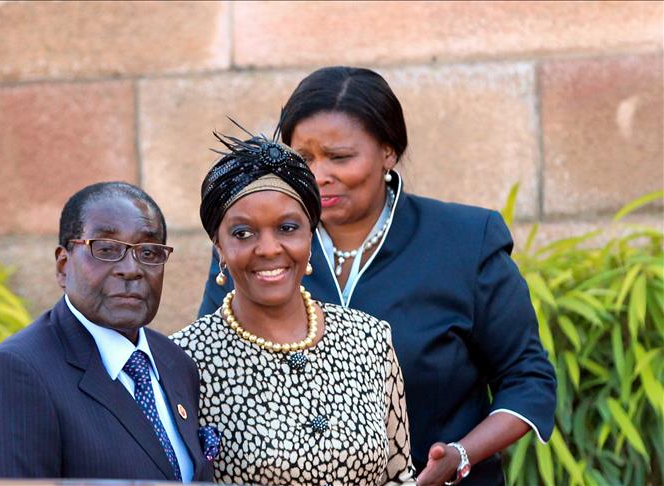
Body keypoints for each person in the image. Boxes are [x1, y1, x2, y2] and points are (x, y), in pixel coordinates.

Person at [198, 67, 557, 485]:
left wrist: (459, 456)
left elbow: (527, 377)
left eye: (339, 157)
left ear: (388, 151)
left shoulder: (465, 240)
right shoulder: (261, 254)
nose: (318, 175)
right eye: (304, 158)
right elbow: (210, 371)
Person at [173, 128, 417, 485]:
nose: (269, 248)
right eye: (243, 233)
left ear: (310, 236)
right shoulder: (184, 360)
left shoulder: (369, 339)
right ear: (219, 247)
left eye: (287, 228)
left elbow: (399, 475)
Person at [0, 182, 214, 481]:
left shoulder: (175, 362)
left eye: (148, 251)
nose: (131, 269)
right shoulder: (15, 372)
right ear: (63, 266)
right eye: (106, 249)